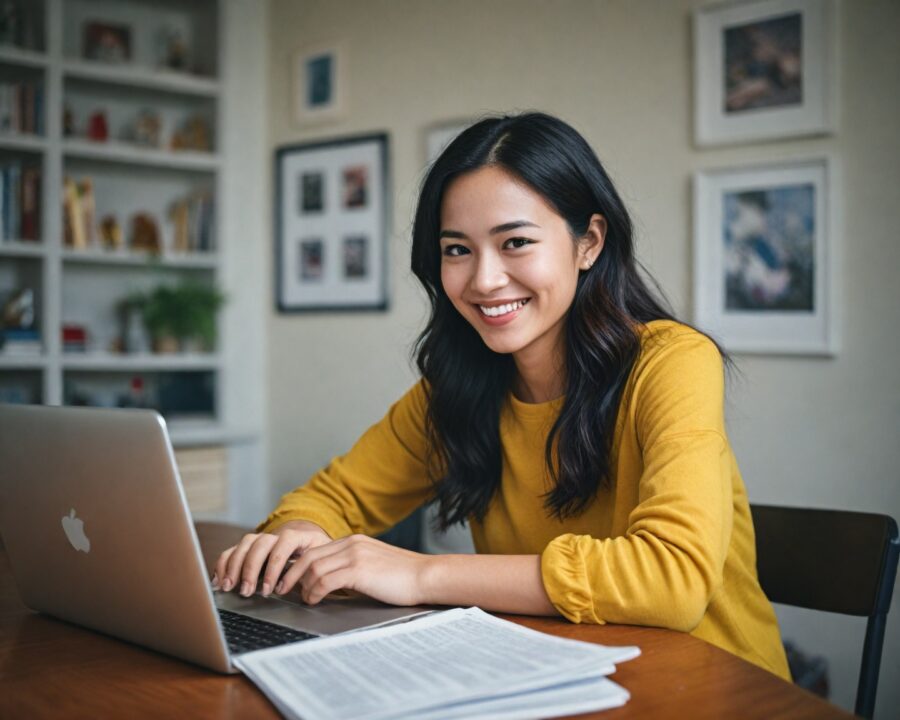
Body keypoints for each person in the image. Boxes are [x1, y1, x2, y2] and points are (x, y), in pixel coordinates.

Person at [214, 112, 790, 680]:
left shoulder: (671, 361)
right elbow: (332, 498)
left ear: (588, 242)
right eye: (457, 249)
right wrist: (298, 533)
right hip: (554, 679)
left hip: (712, 689)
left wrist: (422, 575)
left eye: (515, 241)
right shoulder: (460, 387)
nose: (483, 279)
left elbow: (671, 580)